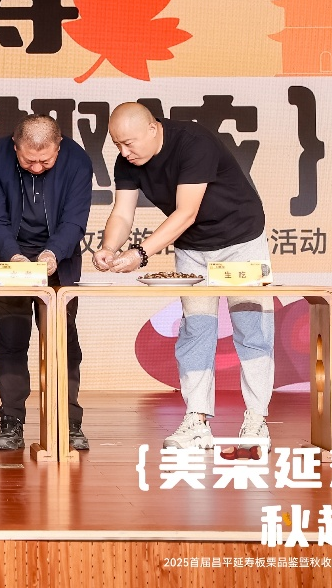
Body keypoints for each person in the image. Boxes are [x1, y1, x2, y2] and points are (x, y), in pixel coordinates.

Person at [92, 102, 272, 451]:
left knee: (252, 329)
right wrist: (109, 247)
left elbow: (186, 212)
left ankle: (256, 419)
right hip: (192, 248)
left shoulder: (192, 142)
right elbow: (122, 213)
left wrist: (140, 253)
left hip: (240, 242)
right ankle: (196, 421)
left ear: (153, 129)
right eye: (117, 145)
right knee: (196, 331)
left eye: (129, 143)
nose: (124, 152)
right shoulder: (127, 162)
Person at [0, 115, 93, 452]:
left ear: (59, 146)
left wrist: (53, 253)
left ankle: (69, 422)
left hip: (58, 259)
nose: (38, 168)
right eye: (29, 161)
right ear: (16, 147)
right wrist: (14, 257)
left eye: (46, 161)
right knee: (10, 339)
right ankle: (11, 422)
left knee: (63, 342)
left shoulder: (77, 161)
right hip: (9, 258)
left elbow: (75, 220)